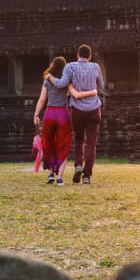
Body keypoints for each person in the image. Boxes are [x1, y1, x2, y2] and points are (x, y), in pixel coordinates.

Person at [33, 56, 96, 185]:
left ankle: (51, 174)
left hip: (49, 113)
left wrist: (36, 114)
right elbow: (76, 95)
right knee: (63, 145)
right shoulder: (67, 82)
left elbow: (41, 99)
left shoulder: (47, 81)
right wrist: (92, 92)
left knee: (49, 144)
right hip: (62, 114)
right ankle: (60, 178)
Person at [46, 44, 103, 184]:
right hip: (94, 109)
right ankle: (87, 176)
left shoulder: (70, 66)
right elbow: (100, 85)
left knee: (79, 140)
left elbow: (61, 84)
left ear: (78, 55)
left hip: (77, 111)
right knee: (91, 143)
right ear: (89, 56)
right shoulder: (96, 67)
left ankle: (78, 165)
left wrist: (49, 77)